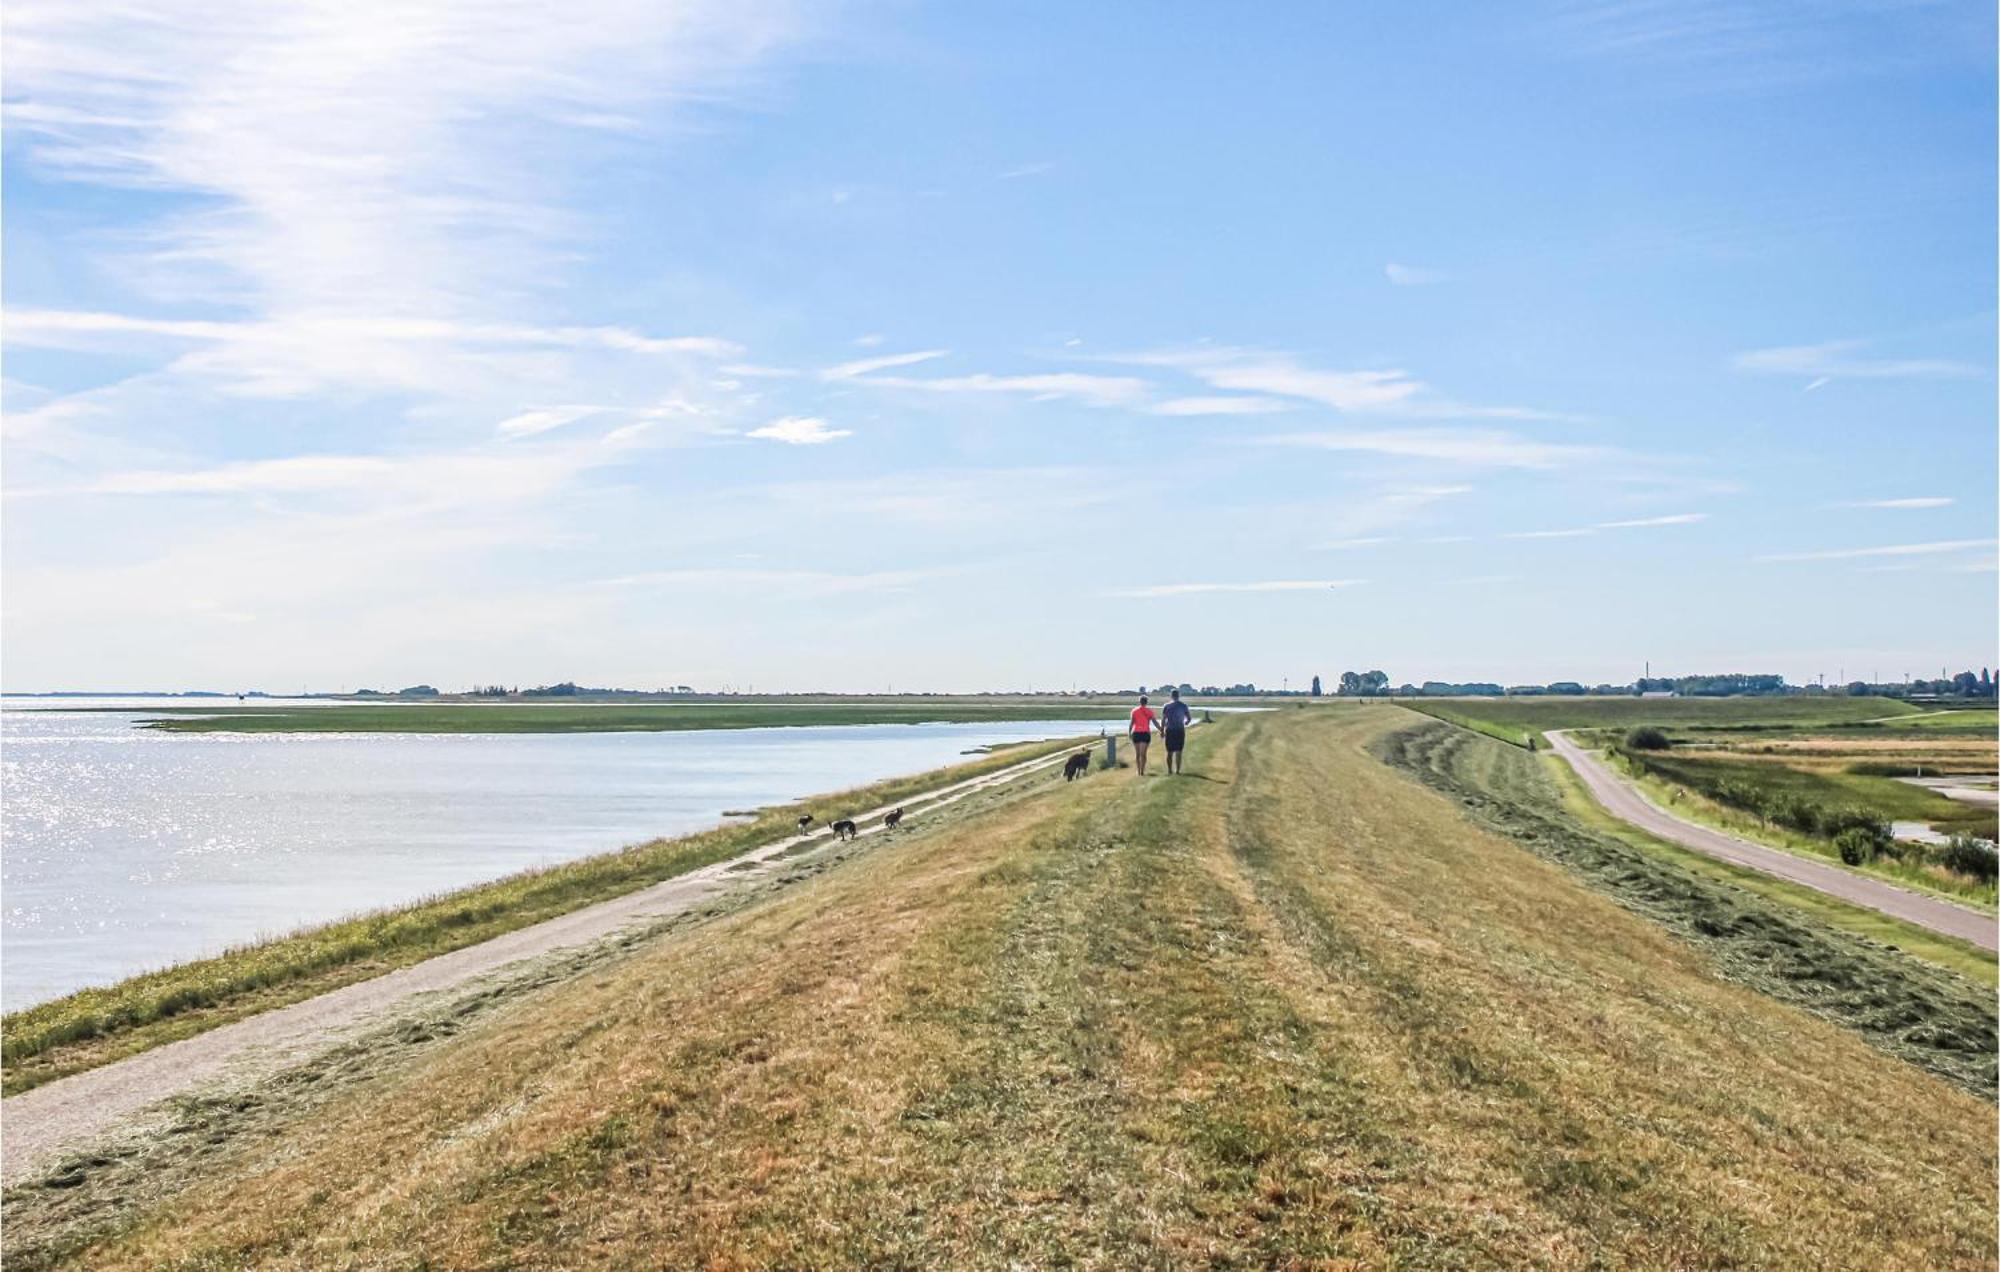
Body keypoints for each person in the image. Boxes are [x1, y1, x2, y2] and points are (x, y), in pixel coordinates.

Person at [1161, 689, 1192, 774]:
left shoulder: (1166, 706)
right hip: (1179, 729)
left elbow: (1163, 719)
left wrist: (1162, 731)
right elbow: (1189, 718)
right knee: (1179, 751)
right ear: (1178, 696)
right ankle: (1177, 771)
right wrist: (1186, 722)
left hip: (1170, 730)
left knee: (1169, 751)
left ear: (1171, 696)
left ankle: (1170, 770)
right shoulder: (1183, 705)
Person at [1128, 694, 1159, 776]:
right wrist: (1161, 729)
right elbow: (1155, 722)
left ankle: (1139, 771)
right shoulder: (1149, 711)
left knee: (1138, 754)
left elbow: (1131, 723)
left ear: (1139, 702)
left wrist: (1129, 733)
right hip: (1145, 733)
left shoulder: (1134, 711)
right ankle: (1142, 771)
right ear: (1146, 702)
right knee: (1143, 754)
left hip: (1136, 733)